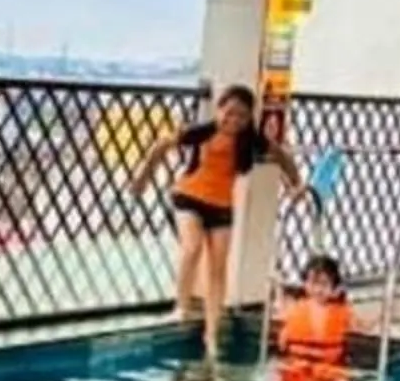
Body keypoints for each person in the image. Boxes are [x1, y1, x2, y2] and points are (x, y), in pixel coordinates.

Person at [125, 85, 306, 365]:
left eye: (242, 116)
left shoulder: (251, 141)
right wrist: (142, 180)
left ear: (249, 119)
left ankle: (211, 335)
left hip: (222, 207)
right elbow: (160, 146)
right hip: (189, 197)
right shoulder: (202, 131)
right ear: (218, 109)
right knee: (193, 247)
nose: (233, 120)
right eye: (229, 113)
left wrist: (296, 185)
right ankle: (181, 306)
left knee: (218, 268)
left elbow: (283, 157)